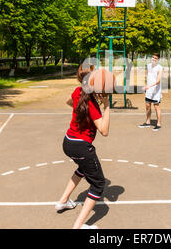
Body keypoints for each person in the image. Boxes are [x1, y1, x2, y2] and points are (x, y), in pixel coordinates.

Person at [55, 64, 110, 229]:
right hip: (81, 147)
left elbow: (68, 101)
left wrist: (81, 109)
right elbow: (104, 131)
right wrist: (106, 105)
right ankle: (78, 226)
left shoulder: (78, 92)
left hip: (67, 142)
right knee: (98, 184)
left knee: (82, 169)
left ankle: (63, 201)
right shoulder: (92, 104)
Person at [138, 53, 163, 131]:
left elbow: (158, 81)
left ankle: (158, 124)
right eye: (153, 57)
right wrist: (146, 85)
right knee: (147, 106)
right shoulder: (148, 66)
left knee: (156, 107)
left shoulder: (160, 68)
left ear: (158, 59)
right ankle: (148, 122)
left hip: (156, 91)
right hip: (149, 91)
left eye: (155, 58)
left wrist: (149, 86)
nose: (154, 59)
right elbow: (149, 77)